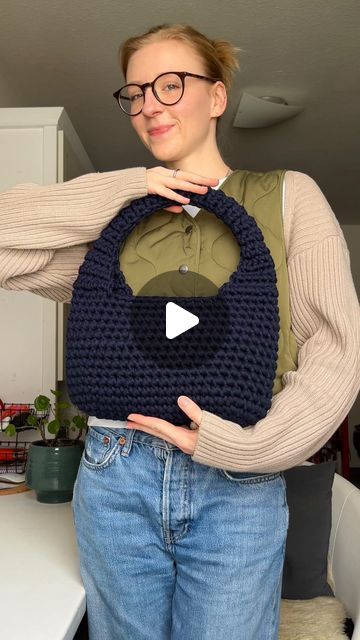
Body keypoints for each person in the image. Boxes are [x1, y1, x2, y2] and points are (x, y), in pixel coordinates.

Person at [0, 22, 359, 640]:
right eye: (135, 93)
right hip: (116, 469)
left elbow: (336, 350)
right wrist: (127, 185)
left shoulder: (288, 198)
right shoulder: (115, 219)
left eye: (171, 85)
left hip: (237, 479)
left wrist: (244, 452)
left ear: (217, 98)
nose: (149, 106)